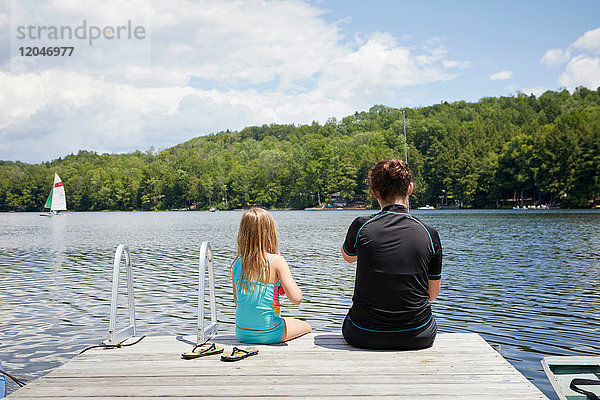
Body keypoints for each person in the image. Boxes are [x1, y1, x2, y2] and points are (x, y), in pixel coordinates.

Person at [341, 159, 442, 350]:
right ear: (410, 188)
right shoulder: (429, 233)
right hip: (417, 335)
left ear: (375, 192)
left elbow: (348, 256)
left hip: (362, 334)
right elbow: (432, 294)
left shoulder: (361, 225)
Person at [232, 208, 312, 344]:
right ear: (270, 232)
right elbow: (296, 299)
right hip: (269, 333)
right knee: (306, 326)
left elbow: (237, 301)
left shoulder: (237, 263)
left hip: (242, 332)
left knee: (287, 321)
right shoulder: (276, 260)